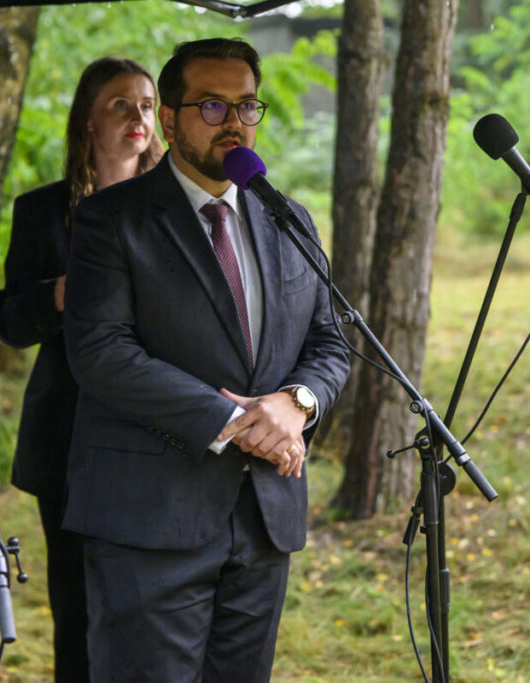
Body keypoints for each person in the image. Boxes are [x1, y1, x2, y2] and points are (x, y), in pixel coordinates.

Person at [61, 38, 351, 681]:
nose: (236, 123)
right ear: (169, 120)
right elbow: (101, 352)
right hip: (149, 520)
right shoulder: (111, 219)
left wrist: (295, 404)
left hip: (263, 520)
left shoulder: (290, 219)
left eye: (247, 107)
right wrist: (237, 422)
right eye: (213, 107)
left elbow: (331, 343)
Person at [0, 56, 162, 682]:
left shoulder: (174, 206)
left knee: (148, 607)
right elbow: (8, 319)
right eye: (120, 103)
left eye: (146, 104)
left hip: (158, 436)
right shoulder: (42, 210)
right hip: (69, 438)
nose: (137, 115)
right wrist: (59, 294)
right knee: (77, 608)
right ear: (87, 119)